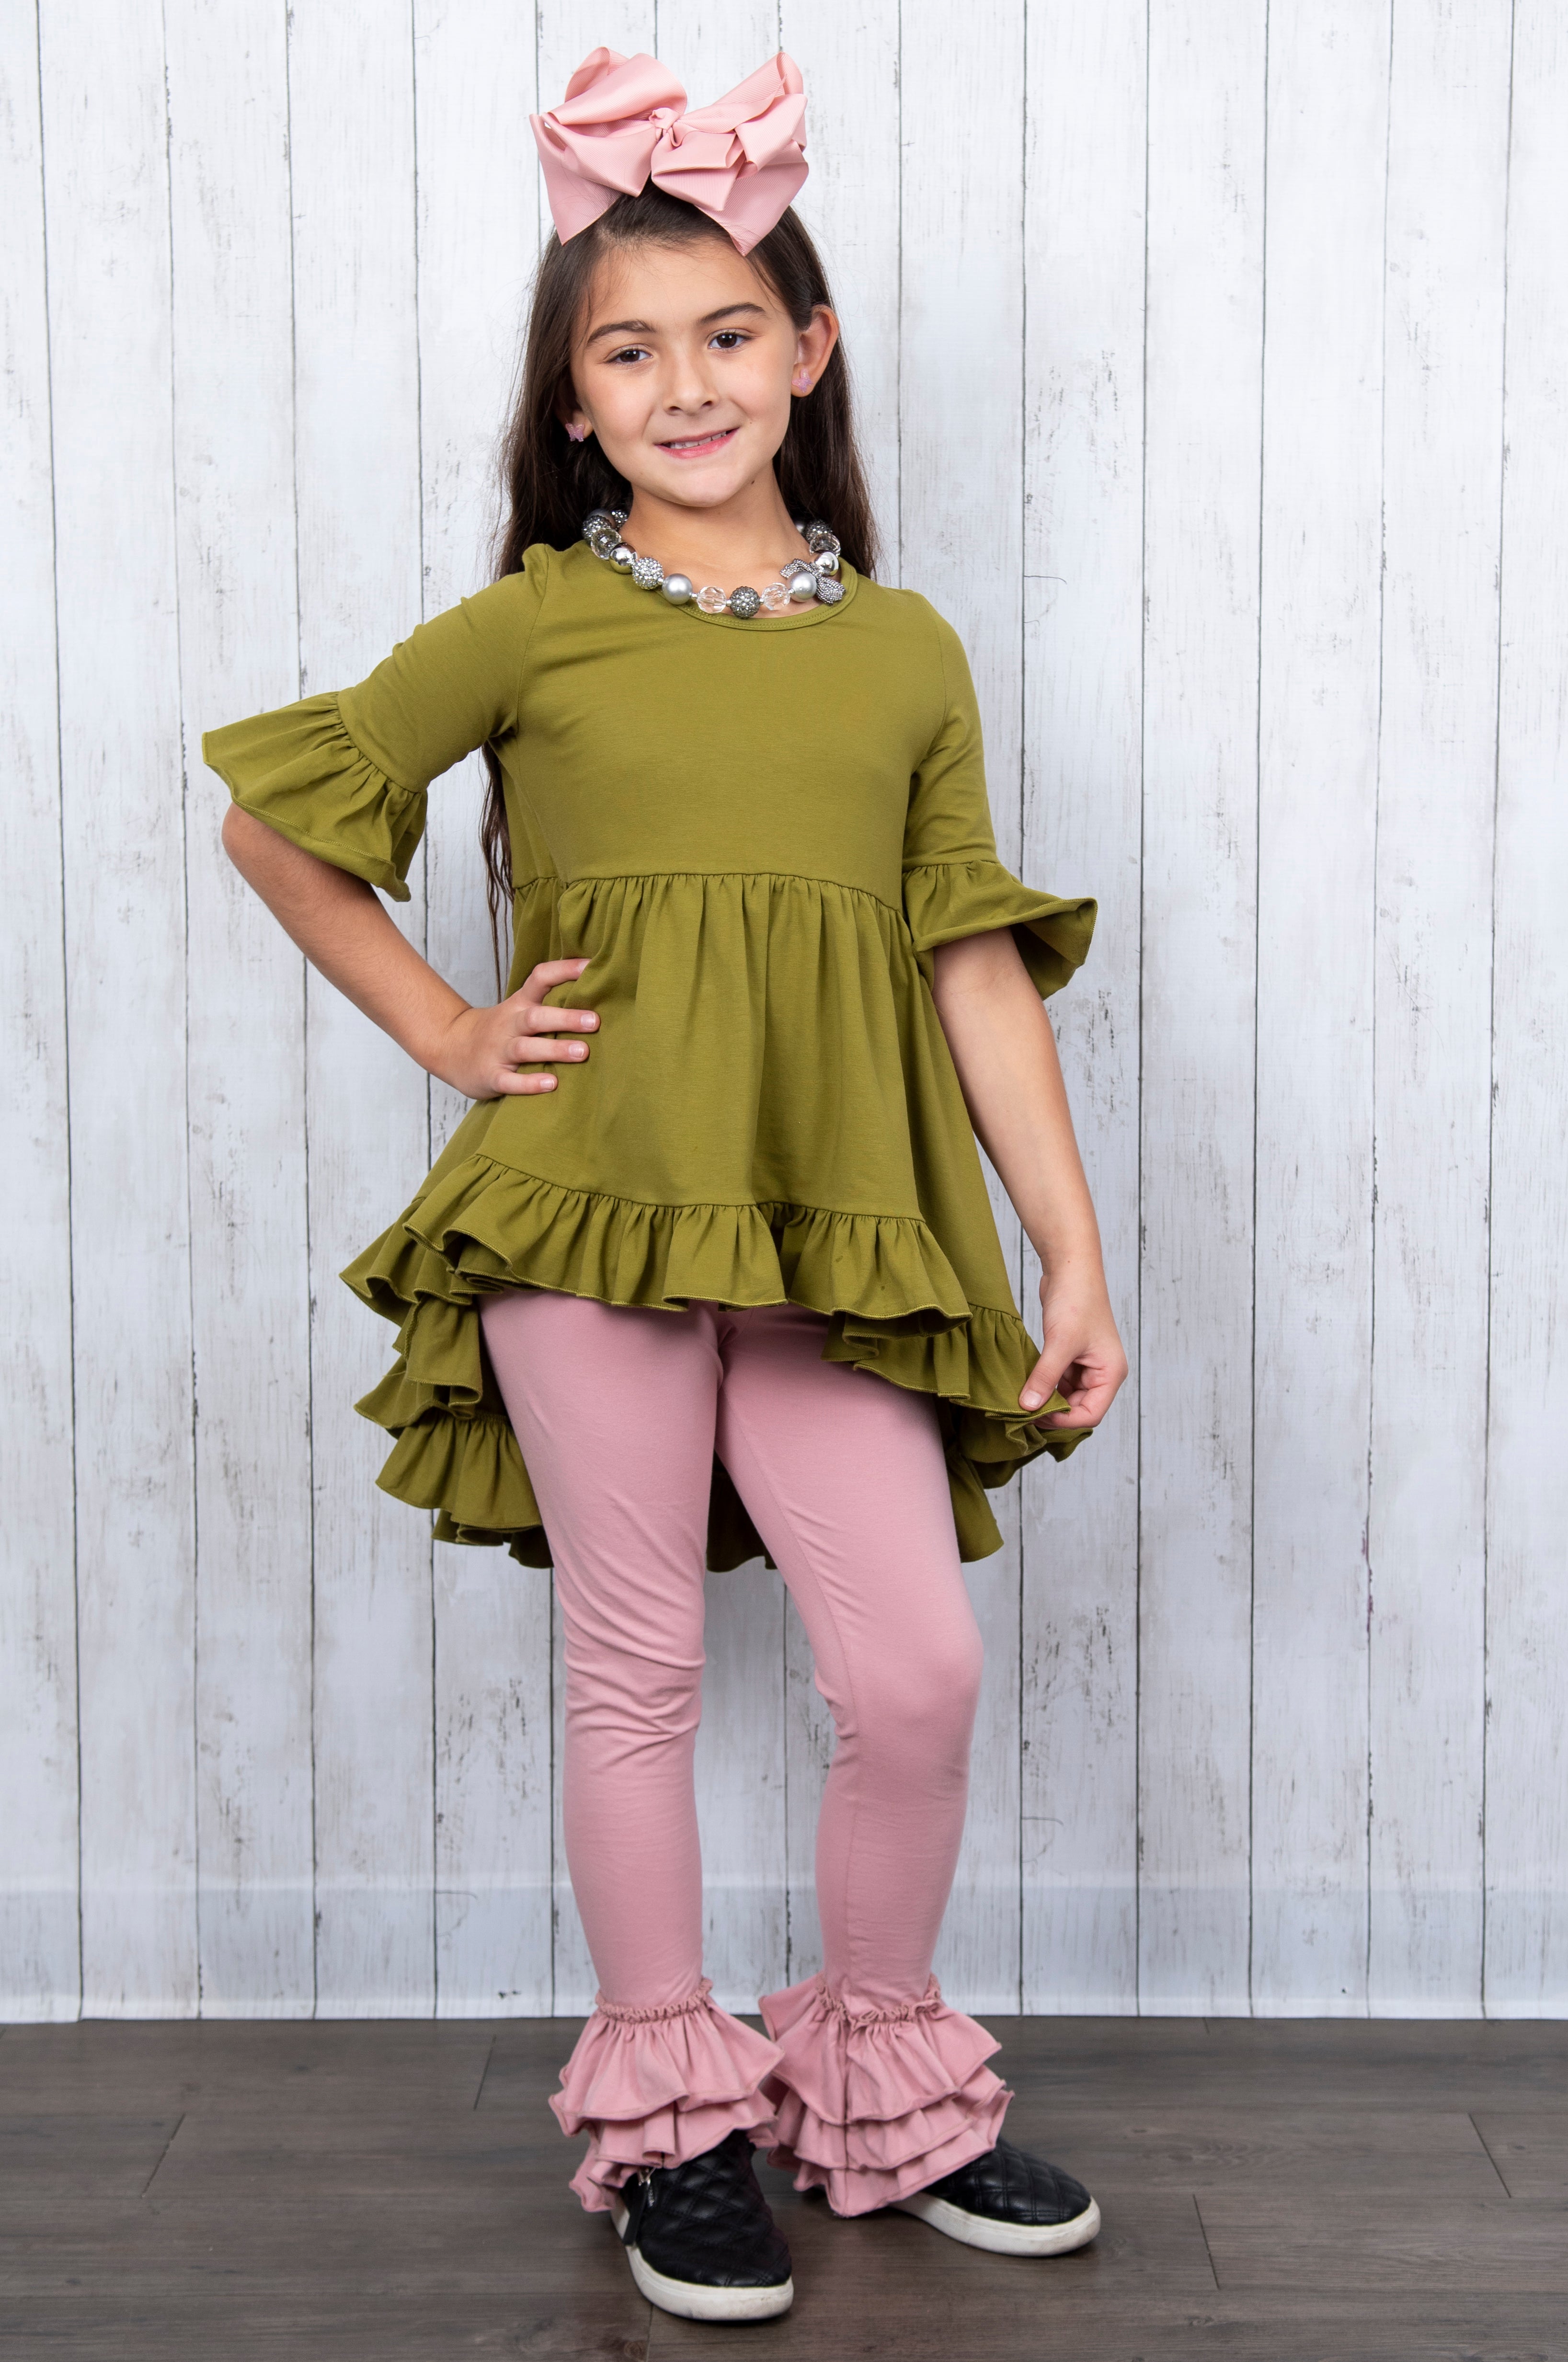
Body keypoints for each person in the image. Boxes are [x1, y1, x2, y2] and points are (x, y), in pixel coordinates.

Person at [207, 43, 1127, 2328]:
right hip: (587, 1213)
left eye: (728, 334)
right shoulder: (538, 618)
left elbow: (968, 960)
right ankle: (675, 2132)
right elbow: (276, 821)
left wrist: (1071, 1248)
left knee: (911, 1673)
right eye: (629, 352)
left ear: (809, 354)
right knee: (632, 1671)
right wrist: (448, 1034)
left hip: (835, 1230)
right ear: (576, 400)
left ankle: (882, 2084)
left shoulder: (903, 648)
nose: (685, 383)